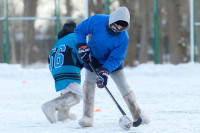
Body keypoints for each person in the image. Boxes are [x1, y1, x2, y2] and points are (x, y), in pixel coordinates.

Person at [75, 7, 150, 127]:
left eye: (122, 27)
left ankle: (138, 115)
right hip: (92, 57)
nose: (118, 28)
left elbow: (116, 58)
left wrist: (104, 71)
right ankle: (87, 117)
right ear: (112, 20)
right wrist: (82, 45)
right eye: (117, 24)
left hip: (112, 63)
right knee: (89, 83)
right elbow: (80, 30)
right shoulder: (97, 20)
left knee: (124, 87)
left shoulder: (123, 38)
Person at [41, 22, 84, 123]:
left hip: (56, 69)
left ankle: (63, 115)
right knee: (78, 95)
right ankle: (51, 106)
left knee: (67, 92)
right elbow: (81, 53)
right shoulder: (75, 36)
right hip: (68, 68)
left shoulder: (59, 41)